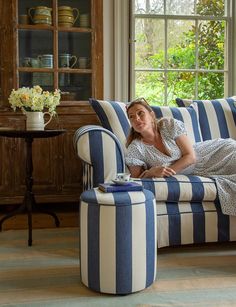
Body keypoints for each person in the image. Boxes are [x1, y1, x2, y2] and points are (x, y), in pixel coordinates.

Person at [125, 98, 236, 216]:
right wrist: (152, 172)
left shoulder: (168, 125)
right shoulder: (135, 148)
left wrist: (166, 171)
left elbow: (191, 156)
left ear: (151, 115)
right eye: (131, 117)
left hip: (213, 152)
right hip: (200, 169)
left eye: (140, 113)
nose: (136, 118)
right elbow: (135, 180)